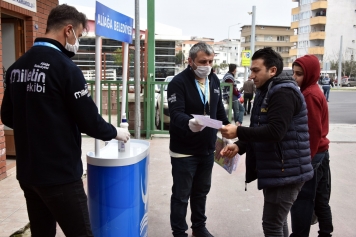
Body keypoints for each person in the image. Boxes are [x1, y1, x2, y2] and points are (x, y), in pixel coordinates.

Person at [0, 4, 130, 237]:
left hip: (29, 173)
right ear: (68, 30)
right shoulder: (66, 68)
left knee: (42, 232)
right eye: (79, 35)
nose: (77, 41)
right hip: (60, 175)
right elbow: (90, 121)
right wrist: (116, 132)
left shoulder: (16, 67)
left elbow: (7, 116)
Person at [219, 47, 313, 237]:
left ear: (272, 70)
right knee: (278, 222)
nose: (251, 76)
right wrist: (240, 145)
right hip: (278, 168)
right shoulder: (266, 90)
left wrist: (238, 131)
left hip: (286, 170)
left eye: (256, 70)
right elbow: (258, 128)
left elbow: (275, 132)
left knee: (271, 225)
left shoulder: (282, 92)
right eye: (251, 70)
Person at [167, 42, 230, 237]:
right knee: (181, 195)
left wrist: (227, 130)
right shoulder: (178, 83)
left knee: (201, 191)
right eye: (203, 61)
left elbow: (218, 109)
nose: (208, 65)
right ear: (191, 61)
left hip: (207, 148)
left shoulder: (213, 80)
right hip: (184, 150)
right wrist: (190, 122)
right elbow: (175, 114)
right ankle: (179, 231)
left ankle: (199, 227)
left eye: (211, 61)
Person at [290, 55, 333, 237]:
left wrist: (305, 163)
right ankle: (325, 232)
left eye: (299, 74)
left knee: (302, 200)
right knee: (321, 198)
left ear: (310, 74)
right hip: (321, 153)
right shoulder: (313, 90)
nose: (294, 77)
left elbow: (312, 132)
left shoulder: (309, 95)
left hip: (313, 156)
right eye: (293, 73)